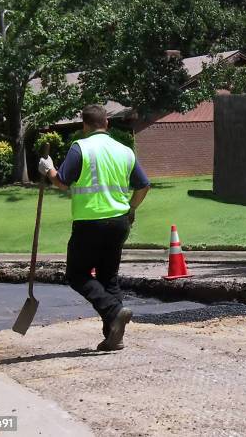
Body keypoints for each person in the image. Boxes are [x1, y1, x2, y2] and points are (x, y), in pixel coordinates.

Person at [38, 104, 151, 350]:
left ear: (85, 126)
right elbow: (143, 186)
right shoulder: (125, 151)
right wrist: (131, 208)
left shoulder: (81, 148)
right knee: (108, 278)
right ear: (107, 123)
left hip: (90, 222)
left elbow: (63, 182)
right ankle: (113, 336)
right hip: (120, 222)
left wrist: (48, 170)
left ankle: (114, 311)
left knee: (77, 275)